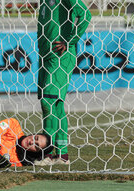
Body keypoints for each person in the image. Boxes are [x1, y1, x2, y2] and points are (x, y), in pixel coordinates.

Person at [37, 0, 91, 165]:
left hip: (61, 56)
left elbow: (86, 14)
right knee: (56, 106)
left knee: (49, 101)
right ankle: (62, 155)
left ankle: (45, 154)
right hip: (46, 55)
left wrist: (69, 40)